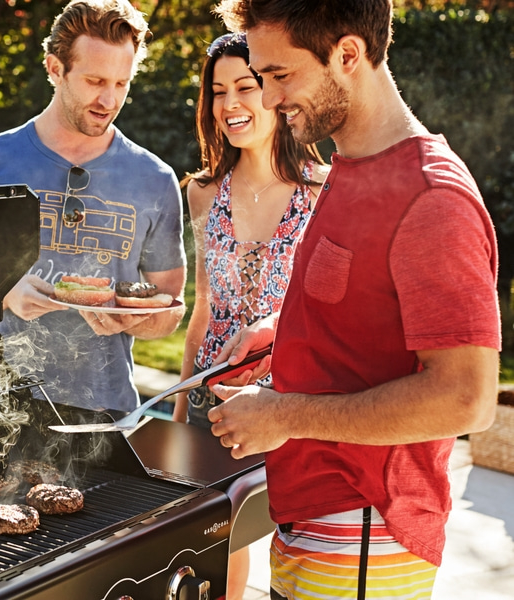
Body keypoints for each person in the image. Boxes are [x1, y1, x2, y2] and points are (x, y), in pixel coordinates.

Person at [205, 1, 502, 599]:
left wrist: (285, 414)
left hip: (367, 536)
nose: (266, 99)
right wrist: (281, 332)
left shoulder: (431, 198)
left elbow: (467, 400)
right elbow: (359, 315)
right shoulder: (351, 167)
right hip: (316, 526)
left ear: (347, 55)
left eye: (280, 76)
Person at [0, 0, 186, 415]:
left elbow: (169, 309)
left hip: (104, 414)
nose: (109, 100)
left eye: (122, 83)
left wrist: (130, 318)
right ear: (55, 69)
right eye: (95, 80)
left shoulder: (156, 178)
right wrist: (2, 293)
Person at [172, 32, 325, 600]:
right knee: (217, 558)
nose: (229, 104)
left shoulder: (323, 190)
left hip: (291, 403)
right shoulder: (203, 190)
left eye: (245, 86)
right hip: (213, 405)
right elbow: (204, 308)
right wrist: (182, 403)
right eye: (217, 92)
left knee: (295, 559)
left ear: (277, 91)